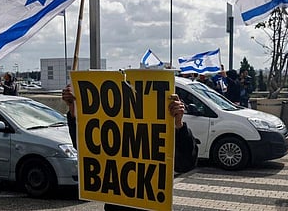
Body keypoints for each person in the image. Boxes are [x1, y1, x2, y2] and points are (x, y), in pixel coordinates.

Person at [61, 84, 199, 210]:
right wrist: (74, 111)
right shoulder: (112, 131)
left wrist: (178, 124)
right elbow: (86, 149)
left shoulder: (163, 132)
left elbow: (185, 164)